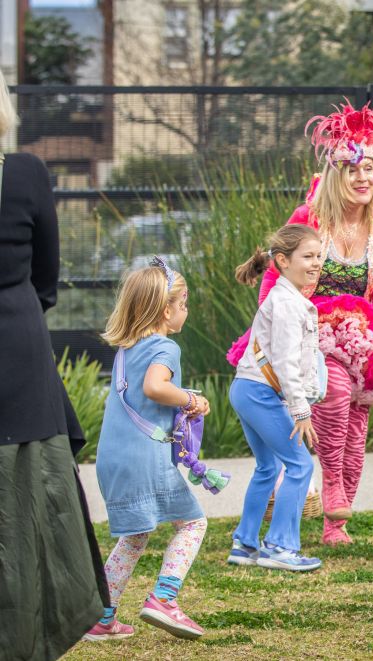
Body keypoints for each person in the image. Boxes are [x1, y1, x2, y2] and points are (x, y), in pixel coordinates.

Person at [228, 101, 373, 546]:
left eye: (372, 167)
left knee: (357, 427)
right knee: (335, 391)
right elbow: (273, 277)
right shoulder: (309, 221)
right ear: (335, 172)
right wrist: (265, 337)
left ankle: (334, 523)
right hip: (308, 330)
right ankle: (331, 484)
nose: (363, 177)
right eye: (352, 167)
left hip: (364, 337)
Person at [0, 70, 107, 658]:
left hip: (16, 349)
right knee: (26, 509)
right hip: (16, 348)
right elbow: (46, 275)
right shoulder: (25, 172)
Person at [89, 258, 211, 640]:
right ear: (165, 310)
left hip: (112, 459)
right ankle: (164, 598)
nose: (185, 311)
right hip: (145, 459)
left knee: (135, 536)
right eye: (184, 303)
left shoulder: (127, 349)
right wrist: (190, 398)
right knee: (192, 523)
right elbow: (156, 388)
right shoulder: (165, 347)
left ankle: (102, 616)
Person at [226, 225, 325, 572]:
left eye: (318, 256)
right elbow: (284, 361)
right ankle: (281, 547)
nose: (316, 263)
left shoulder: (291, 299)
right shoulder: (286, 303)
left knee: (269, 467)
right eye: (308, 257)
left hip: (247, 389)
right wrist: (301, 411)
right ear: (282, 260)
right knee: (300, 465)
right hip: (259, 392)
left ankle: (245, 543)